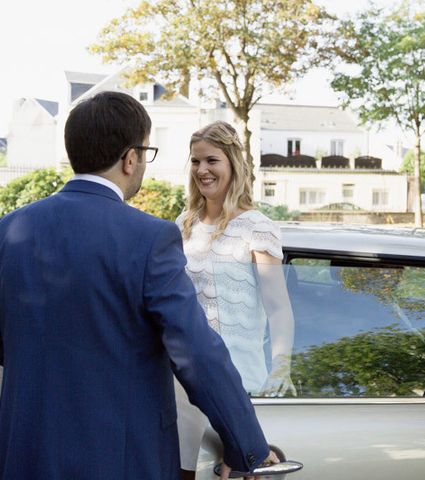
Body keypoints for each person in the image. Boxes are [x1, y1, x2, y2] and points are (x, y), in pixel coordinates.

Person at [0, 92, 277, 480]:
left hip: (22, 454)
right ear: (131, 158)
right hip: (118, 460)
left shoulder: (10, 229)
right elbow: (196, 353)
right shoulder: (150, 238)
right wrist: (245, 445)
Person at [175, 121, 296, 479]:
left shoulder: (257, 227)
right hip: (185, 382)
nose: (202, 170)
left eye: (211, 160)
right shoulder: (183, 224)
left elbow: (278, 308)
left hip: (239, 377)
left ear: (233, 164)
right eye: (195, 162)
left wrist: (282, 366)